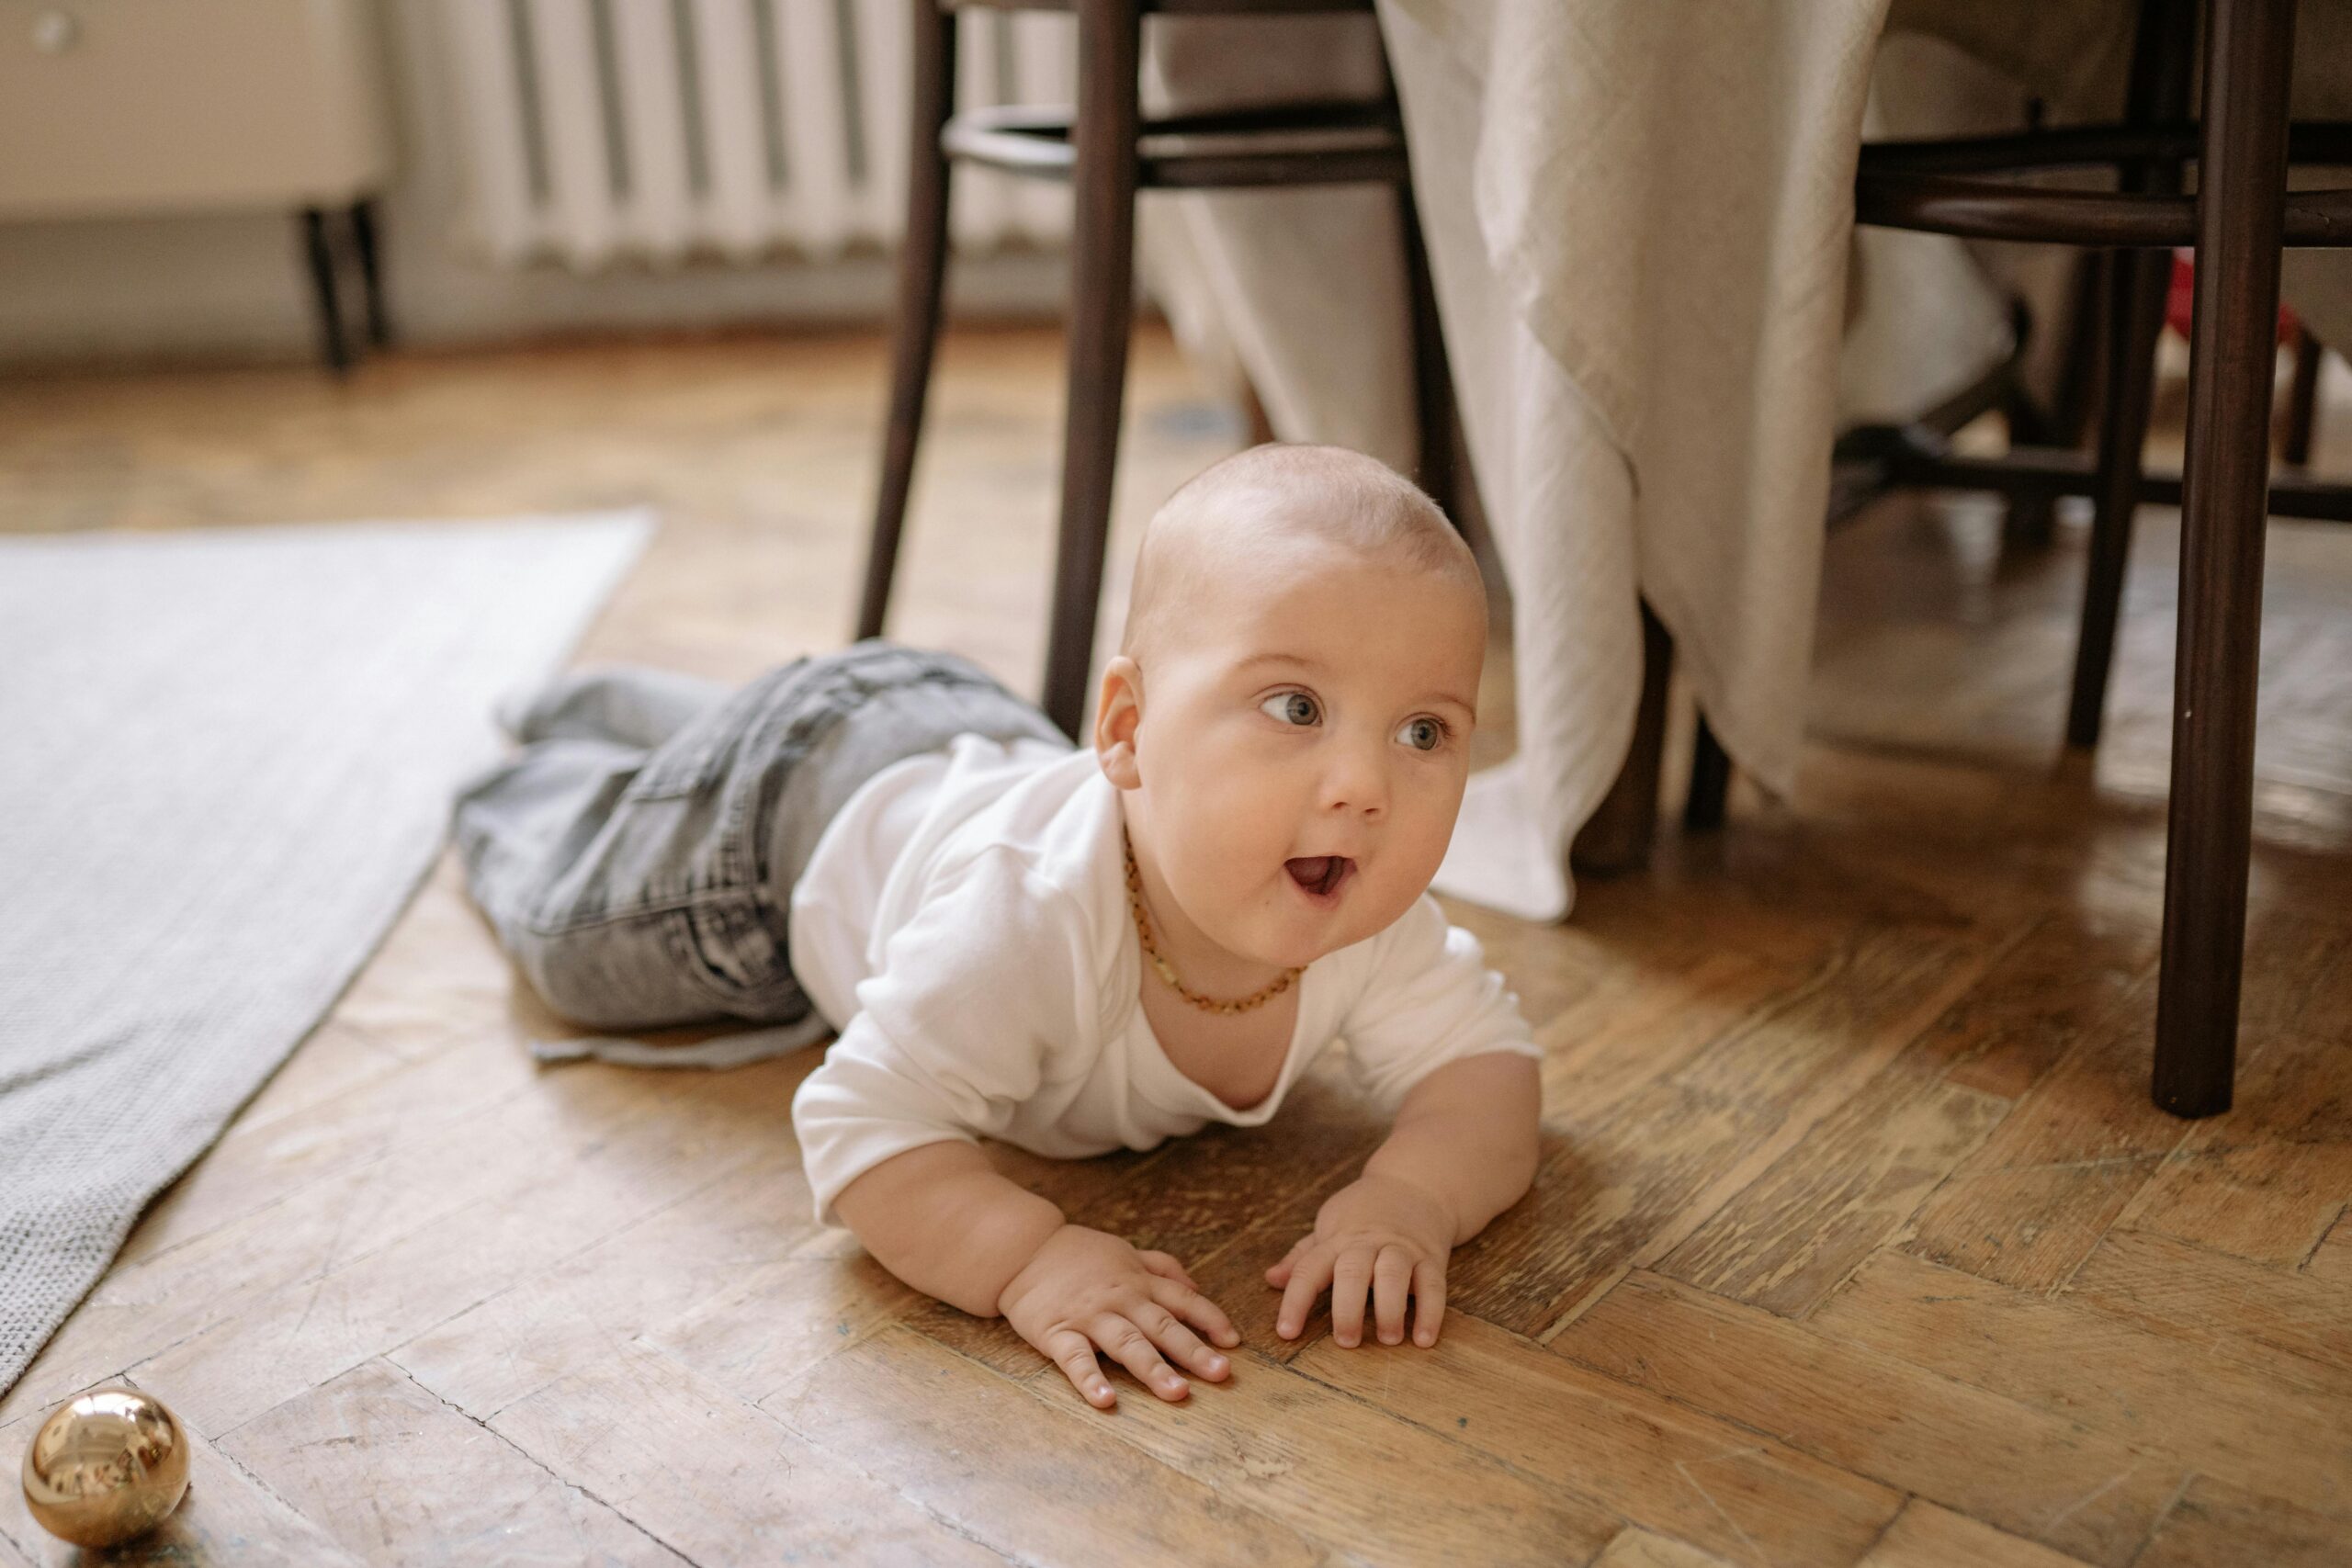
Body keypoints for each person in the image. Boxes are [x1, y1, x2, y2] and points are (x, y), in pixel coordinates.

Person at [450, 443, 1544, 1413]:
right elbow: (858, 1125)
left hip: (947, 734)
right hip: (784, 827)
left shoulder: (1369, 917)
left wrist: (1408, 1201)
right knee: (573, 937)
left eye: (1421, 730)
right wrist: (1029, 1261)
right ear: (1127, 732)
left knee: (697, 764)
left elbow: (1487, 1069)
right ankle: (528, 775)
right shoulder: (1025, 923)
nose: (1364, 787)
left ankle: (647, 716)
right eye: (1296, 707)